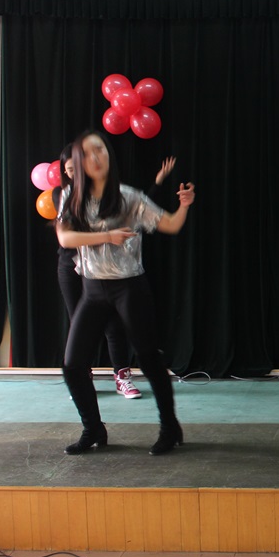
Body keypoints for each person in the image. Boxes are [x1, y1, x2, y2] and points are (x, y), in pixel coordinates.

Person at [56, 130, 195, 455]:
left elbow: (171, 225)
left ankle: (170, 427)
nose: (96, 157)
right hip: (92, 289)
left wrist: (184, 205)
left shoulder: (129, 197)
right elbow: (65, 239)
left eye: (100, 150)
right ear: (78, 162)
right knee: (73, 364)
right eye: (88, 153)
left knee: (148, 358)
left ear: (109, 155)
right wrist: (107, 236)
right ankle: (93, 428)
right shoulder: (71, 196)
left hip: (129, 287)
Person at [53, 146, 177, 400]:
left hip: (103, 270)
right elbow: (71, 235)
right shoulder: (64, 194)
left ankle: (122, 377)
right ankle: (83, 378)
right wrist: (107, 235)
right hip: (70, 267)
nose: (75, 174)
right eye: (69, 171)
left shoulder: (109, 194)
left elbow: (136, 211)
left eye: (78, 168)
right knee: (78, 325)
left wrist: (157, 183)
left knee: (113, 325)